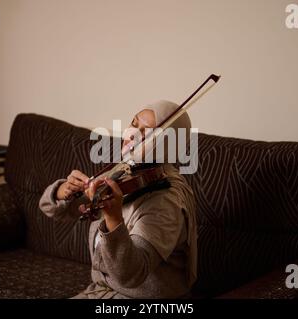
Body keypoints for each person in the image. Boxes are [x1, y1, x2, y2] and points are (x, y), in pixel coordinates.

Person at [39, 100, 197, 299]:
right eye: (134, 123)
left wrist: (113, 220)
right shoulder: (125, 172)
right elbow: (50, 209)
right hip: (100, 292)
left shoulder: (167, 201)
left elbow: (130, 276)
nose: (132, 134)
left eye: (146, 132)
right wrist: (63, 191)